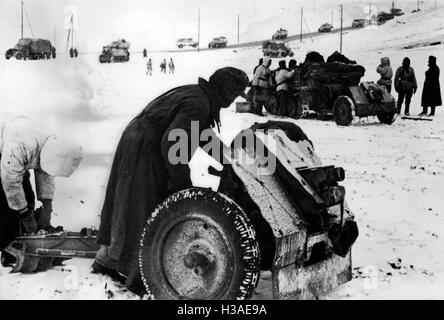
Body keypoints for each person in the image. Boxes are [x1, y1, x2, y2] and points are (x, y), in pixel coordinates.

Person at [92, 67, 249, 295]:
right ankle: (141, 278)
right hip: (144, 146)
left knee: (128, 203)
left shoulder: (200, 96)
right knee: (144, 208)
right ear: (225, 90)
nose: (235, 99)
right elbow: (172, 143)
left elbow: (202, 135)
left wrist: (228, 161)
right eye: (235, 93)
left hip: (140, 139)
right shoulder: (199, 103)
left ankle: (107, 259)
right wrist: (182, 188)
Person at [0, 114, 83, 257]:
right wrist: (25, 215)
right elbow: (11, 182)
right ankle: (8, 247)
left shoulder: (54, 145)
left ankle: (24, 242)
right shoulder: (22, 144)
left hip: (17, 159)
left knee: (27, 199)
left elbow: (46, 172)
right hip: (5, 155)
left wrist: (47, 203)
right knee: (8, 208)